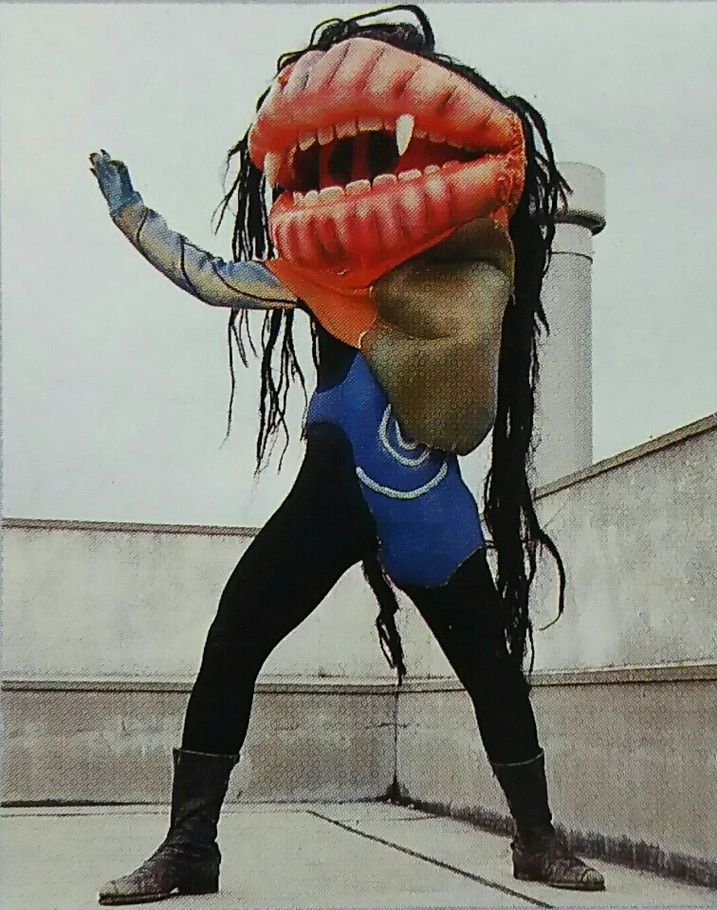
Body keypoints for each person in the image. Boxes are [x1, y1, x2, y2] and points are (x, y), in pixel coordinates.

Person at [90, 5, 605, 904]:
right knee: (233, 638)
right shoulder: (312, 272)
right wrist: (133, 214)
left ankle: (538, 840)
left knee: (490, 668)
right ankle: (190, 845)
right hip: (326, 506)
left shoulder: (450, 271)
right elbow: (210, 276)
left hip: (426, 509)